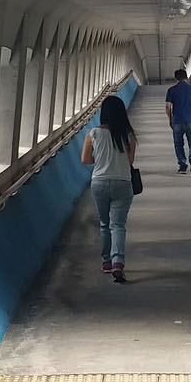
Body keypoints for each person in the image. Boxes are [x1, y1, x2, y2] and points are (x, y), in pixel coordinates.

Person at [80, 95, 137, 282]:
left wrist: (102, 160)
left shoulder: (93, 134)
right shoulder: (129, 136)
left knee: (104, 223)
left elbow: (85, 160)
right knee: (118, 225)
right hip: (123, 182)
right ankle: (118, 262)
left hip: (100, 182)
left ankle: (106, 261)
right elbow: (130, 161)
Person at [164, 68, 191, 175]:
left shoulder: (171, 90)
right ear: (187, 78)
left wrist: (170, 119)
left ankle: (183, 166)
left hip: (177, 121)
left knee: (178, 144)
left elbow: (168, 107)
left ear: (175, 79)